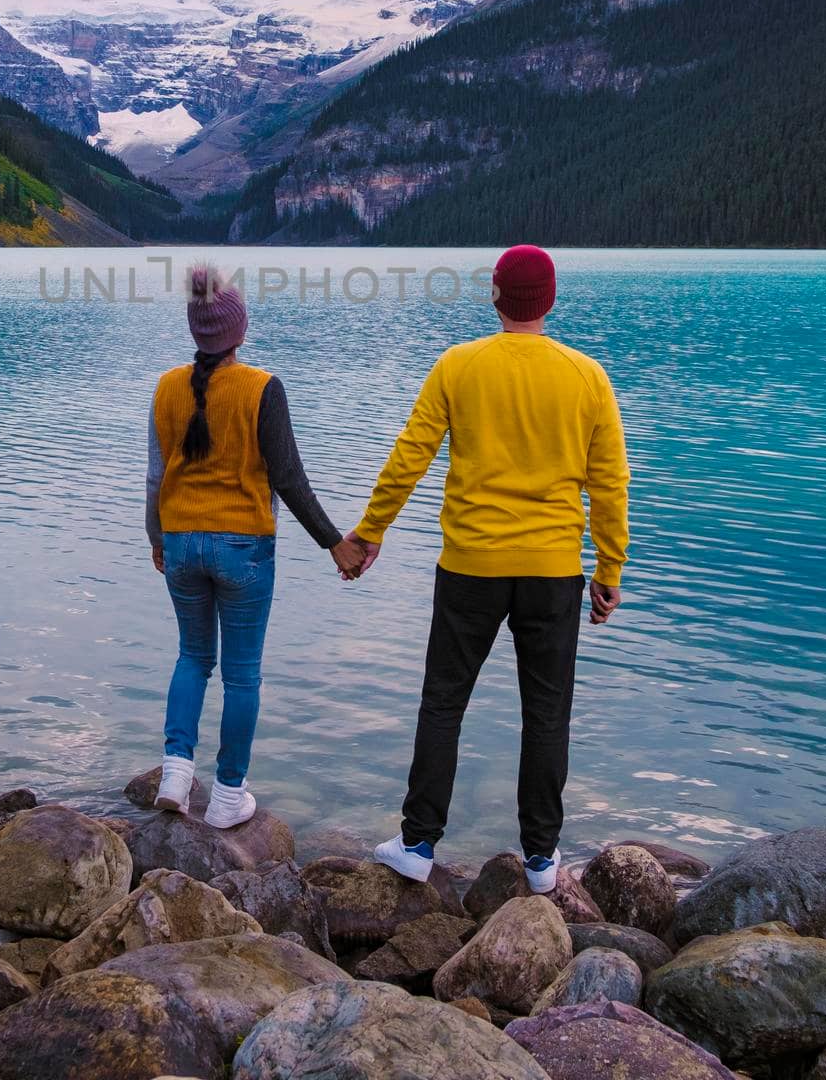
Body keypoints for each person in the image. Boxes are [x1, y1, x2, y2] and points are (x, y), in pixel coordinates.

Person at [341, 244, 630, 891]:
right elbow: (610, 484)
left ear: (496, 297)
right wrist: (609, 569)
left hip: (470, 565)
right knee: (547, 714)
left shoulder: (458, 365)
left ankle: (417, 842)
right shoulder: (587, 376)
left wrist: (370, 531)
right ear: (549, 301)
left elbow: (410, 455)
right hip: (553, 569)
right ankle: (541, 860)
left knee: (444, 703)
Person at [147, 266, 365, 828]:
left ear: (196, 332)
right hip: (243, 548)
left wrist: (158, 539)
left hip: (181, 542)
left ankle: (174, 772)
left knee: (193, 656)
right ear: (239, 331)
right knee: (242, 674)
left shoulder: (167, 387)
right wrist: (335, 544)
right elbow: (288, 479)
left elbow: (155, 477)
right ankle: (226, 795)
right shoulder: (261, 387)